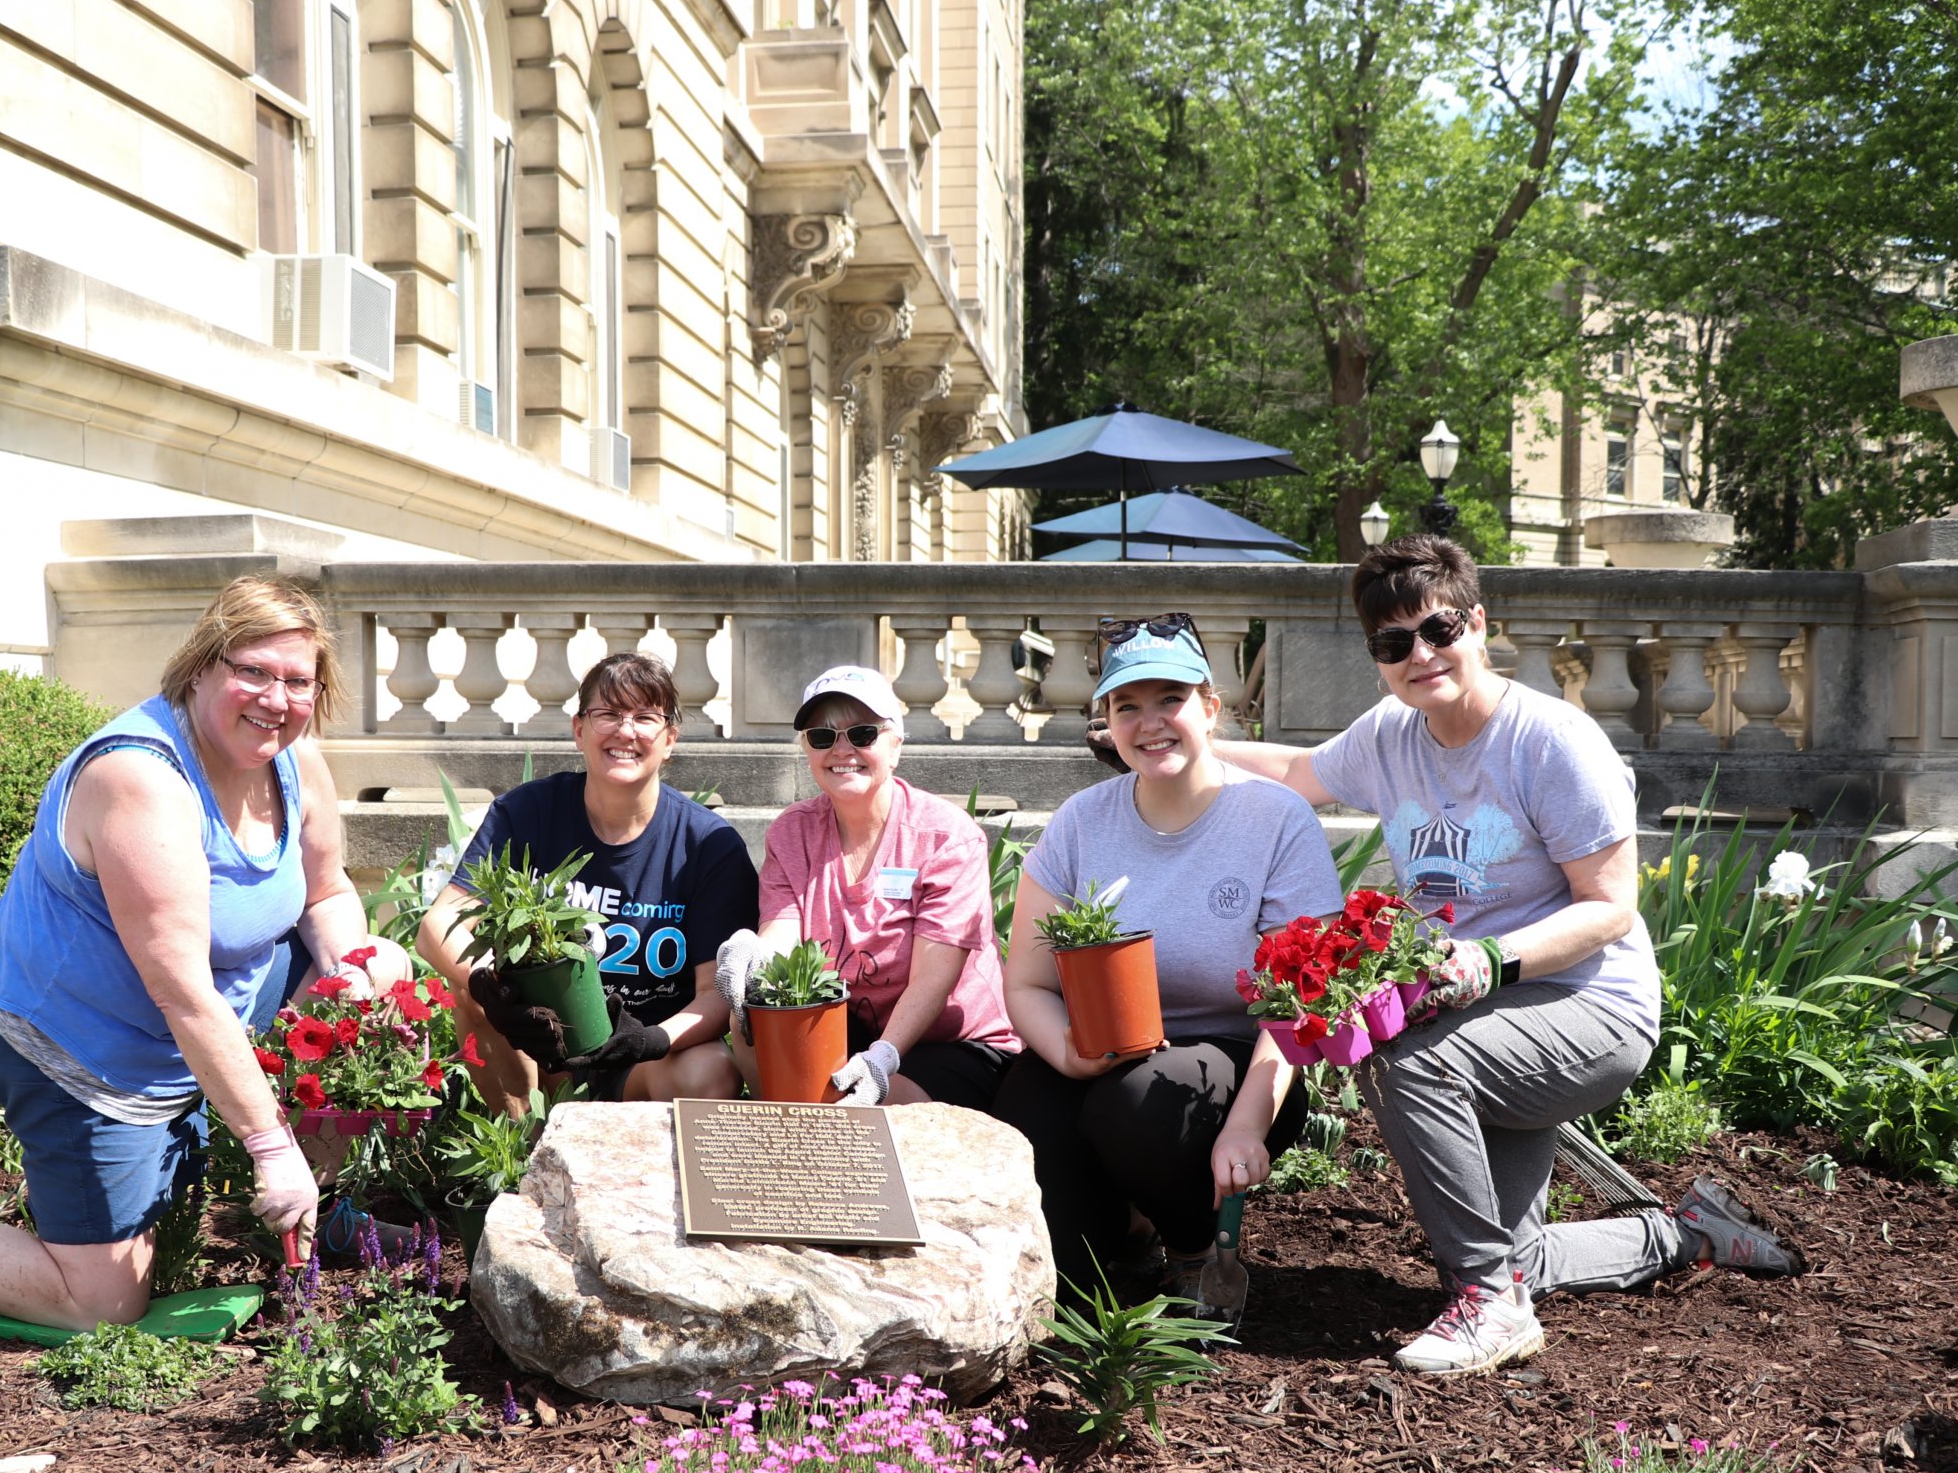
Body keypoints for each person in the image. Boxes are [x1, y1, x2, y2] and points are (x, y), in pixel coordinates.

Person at [1211, 534, 1802, 1375]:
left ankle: (1490, 1304)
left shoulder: (1552, 742)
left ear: (1479, 623)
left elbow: (1609, 908)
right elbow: (1301, 770)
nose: (1419, 655)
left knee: (1399, 1061)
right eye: (1392, 643)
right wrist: (1186, 751)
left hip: (1590, 1006)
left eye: (1437, 630)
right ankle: (1684, 1232)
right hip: (1479, 1011)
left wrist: (1490, 960)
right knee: (1511, 1246)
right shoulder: (1391, 735)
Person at [0, 577, 410, 1336]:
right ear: (201, 666)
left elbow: (325, 891)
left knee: (369, 990)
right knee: (100, 1303)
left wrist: (358, 967)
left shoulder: (293, 757)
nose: (275, 698)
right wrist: (270, 1143)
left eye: (297, 680)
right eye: (252, 672)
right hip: (87, 1044)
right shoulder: (140, 779)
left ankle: (317, 1208)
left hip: (207, 1009)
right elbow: (180, 993)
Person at [991, 615, 1343, 1309]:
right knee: (1034, 1167)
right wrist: (1065, 1053)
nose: (1149, 722)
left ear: (1211, 708)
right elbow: (1028, 981)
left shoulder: (1274, 819)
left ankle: (1192, 1248)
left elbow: (1301, 1006)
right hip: (1100, 1052)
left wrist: (1246, 1124)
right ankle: (1124, 1231)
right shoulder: (1083, 821)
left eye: (1169, 700)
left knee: (1139, 1102)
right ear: (1108, 722)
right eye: (1127, 706)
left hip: (1239, 1062)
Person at [418, 651, 754, 1107]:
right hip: (536, 1049)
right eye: (608, 714)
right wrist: (492, 992)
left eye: (644, 717)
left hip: (646, 1060)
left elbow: (716, 993)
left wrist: (651, 1040)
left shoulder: (708, 844)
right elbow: (439, 926)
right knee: (469, 992)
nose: (625, 730)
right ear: (579, 730)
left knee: (711, 1072)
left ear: (670, 739)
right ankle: (519, 1155)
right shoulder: (528, 813)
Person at [710, 666, 1019, 1108]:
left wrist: (883, 1058)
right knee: (754, 1028)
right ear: (807, 749)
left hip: (950, 1041)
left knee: (867, 1115)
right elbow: (780, 933)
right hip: (847, 1025)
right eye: (822, 737)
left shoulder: (945, 837)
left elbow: (933, 980)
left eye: (863, 733)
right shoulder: (792, 832)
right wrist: (751, 950)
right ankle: (782, 1158)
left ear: (896, 745)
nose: (842, 749)